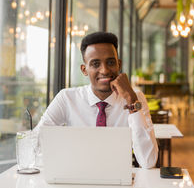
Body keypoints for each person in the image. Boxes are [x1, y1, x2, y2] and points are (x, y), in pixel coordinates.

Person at [35, 31, 158, 168]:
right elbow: (35, 143)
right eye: (95, 64)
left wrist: (131, 100)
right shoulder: (67, 98)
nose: (104, 70)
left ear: (119, 64)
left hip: (120, 182)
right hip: (77, 179)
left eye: (111, 62)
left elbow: (149, 161)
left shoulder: (135, 98)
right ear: (84, 69)